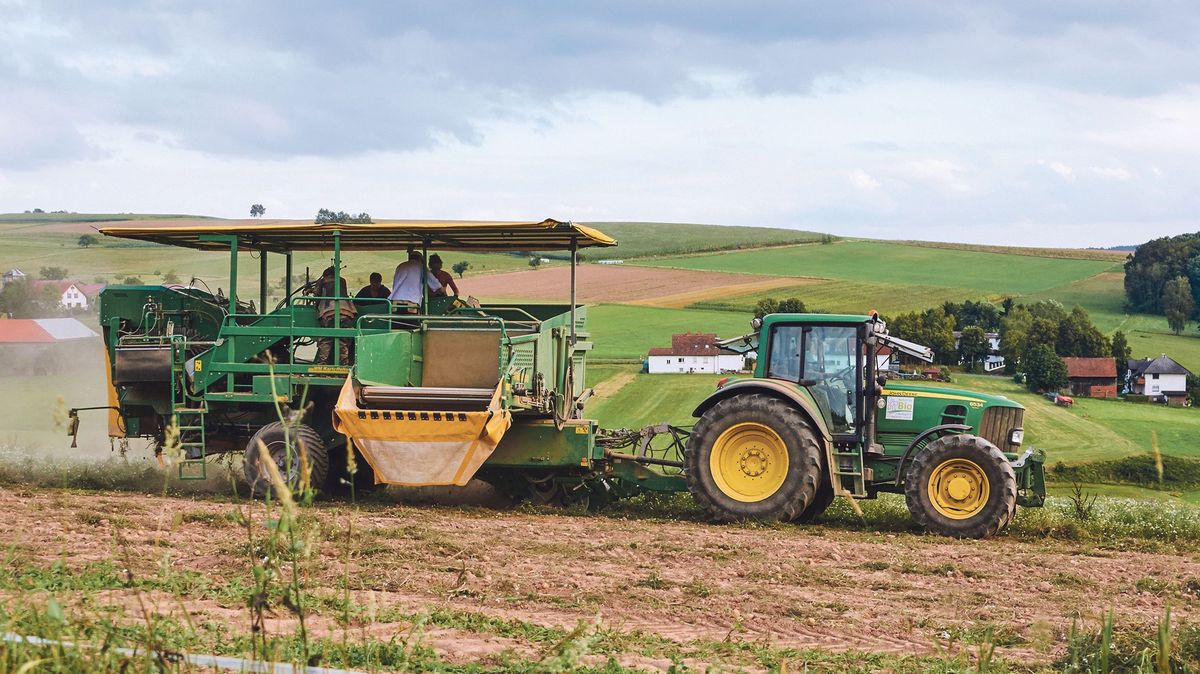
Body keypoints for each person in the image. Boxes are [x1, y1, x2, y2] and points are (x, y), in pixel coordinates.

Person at [314, 265, 356, 364]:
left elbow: (317, 296)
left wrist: (317, 309)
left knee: (326, 340)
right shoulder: (342, 280)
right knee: (343, 341)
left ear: (325, 275)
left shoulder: (323, 281)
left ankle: (322, 366)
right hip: (346, 313)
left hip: (329, 312)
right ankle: (344, 366)